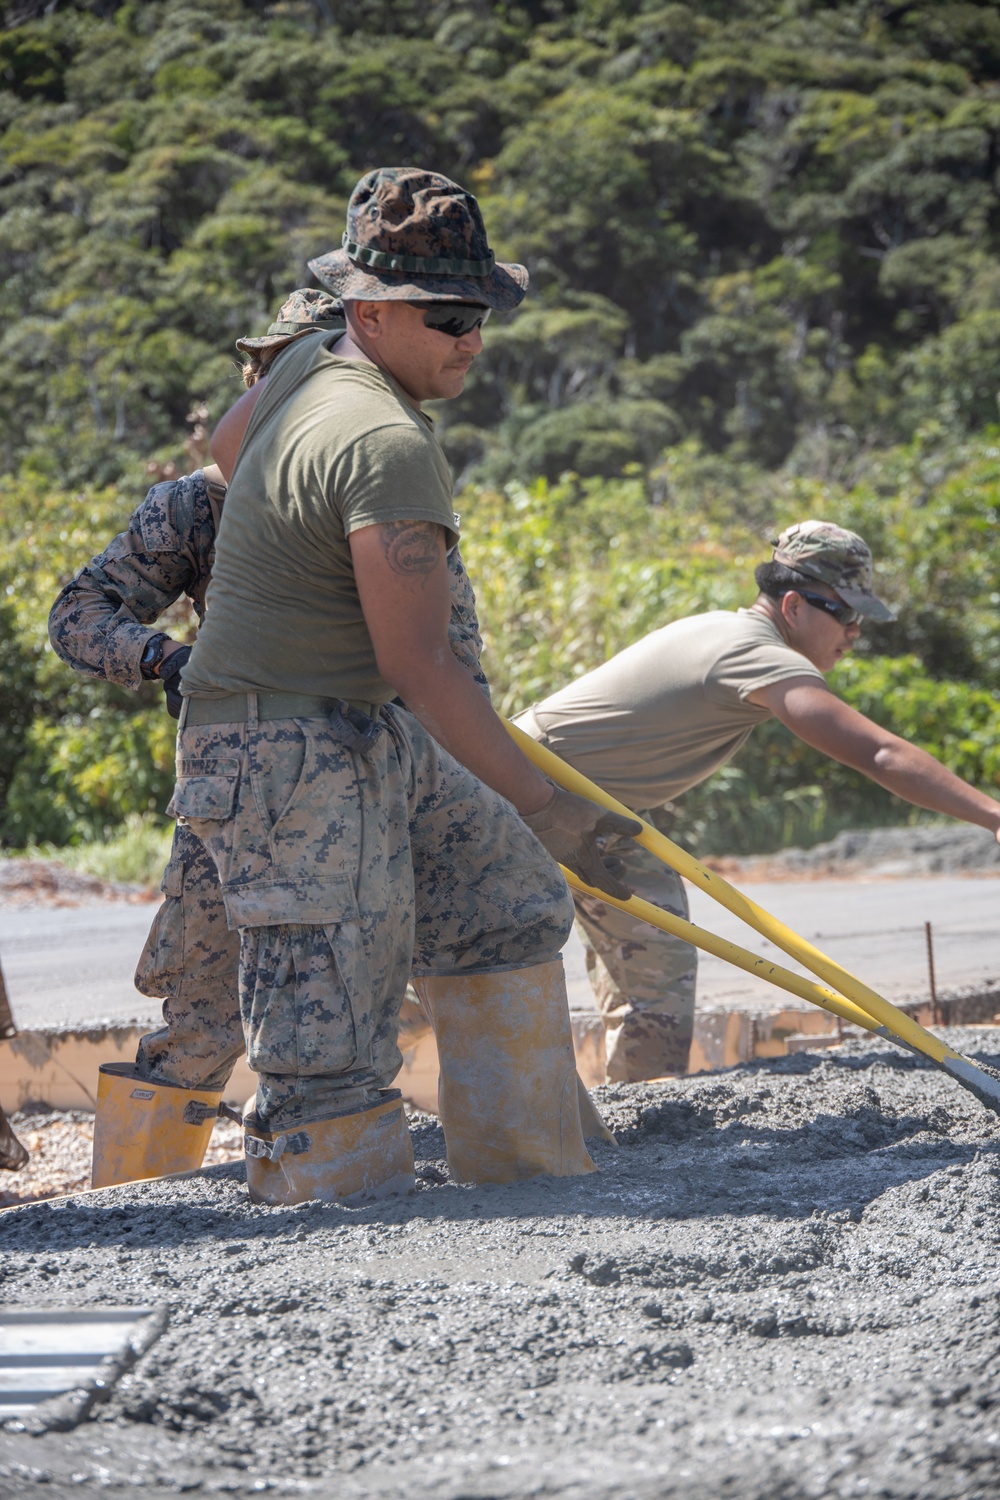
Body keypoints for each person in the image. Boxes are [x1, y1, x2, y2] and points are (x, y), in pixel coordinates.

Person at [171, 167, 638, 1206]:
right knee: (326, 1028)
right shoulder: (385, 443)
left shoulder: (307, 371)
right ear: (368, 312)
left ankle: (528, 1178)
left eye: (480, 314)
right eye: (446, 316)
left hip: (361, 725)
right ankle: (337, 1229)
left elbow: (228, 443)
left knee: (505, 899)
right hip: (282, 748)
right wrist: (552, 807)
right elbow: (421, 664)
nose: (469, 337)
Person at [47, 288, 497, 1187]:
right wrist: (167, 662)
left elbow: (451, 656)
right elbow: (78, 614)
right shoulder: (194, 509)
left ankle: (521, 1146)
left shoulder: (380, 475)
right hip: (250, 781)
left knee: (440, 969)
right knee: (204, 1018)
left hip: (383, 769)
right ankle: (132, 1202)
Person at [516, 521, 1000, 1083]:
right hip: (519, 791)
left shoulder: (724, 630)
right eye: (844, 614)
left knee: (657, 960)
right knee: (456, 954)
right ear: (794, 606)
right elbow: (879, 755)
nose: (854, 633)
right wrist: (992, 816)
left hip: (590, 806)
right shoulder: (758, 654)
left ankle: (640, 1104)